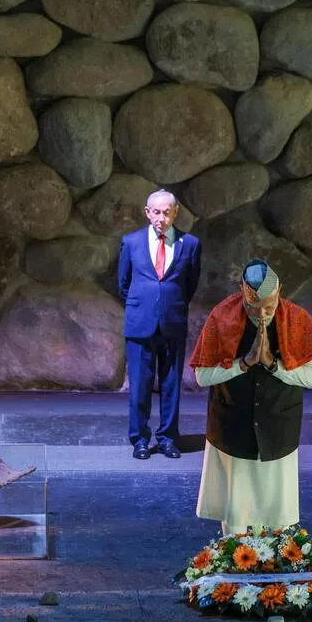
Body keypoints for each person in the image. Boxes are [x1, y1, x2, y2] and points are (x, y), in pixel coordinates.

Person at [189, 260, 312, 535]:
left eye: (269, 307)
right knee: (236, 512)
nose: (261, 315)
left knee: (277, 513)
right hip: (232, 427)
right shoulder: (221, 317)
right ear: (242, 291)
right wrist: (244, 363)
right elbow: (202, 377)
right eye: (253, 307)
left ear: (280, 292)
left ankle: (275, 570)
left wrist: (274, 365)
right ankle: (233, 568)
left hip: (279, 426)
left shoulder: (298, 320)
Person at [117, 189, 202, 460]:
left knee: (171, 384)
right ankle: (140, 439)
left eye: (167, 212)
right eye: (156, 212)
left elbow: (190, 285)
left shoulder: (190, 244)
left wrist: (169, 304)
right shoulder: (131, 243)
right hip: (140, 324)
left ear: (175, 212)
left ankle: (167, 438)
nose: (161, 218)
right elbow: (123, 284)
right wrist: (145, 305)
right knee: (140, 385)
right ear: (147, 212)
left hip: (173, 322)